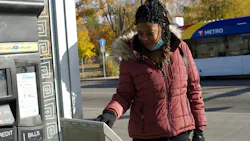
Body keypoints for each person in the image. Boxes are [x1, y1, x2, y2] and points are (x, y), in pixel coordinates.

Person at [95, 0, 207, 140]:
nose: (144, 38)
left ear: (163, 27)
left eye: (150, 33)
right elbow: (124, 94)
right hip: (146, 136)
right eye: (140, 33)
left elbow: (194, 89)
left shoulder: (181, 49)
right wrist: (111, 112)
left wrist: (199, 130)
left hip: (180, 133)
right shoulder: (130, 57)